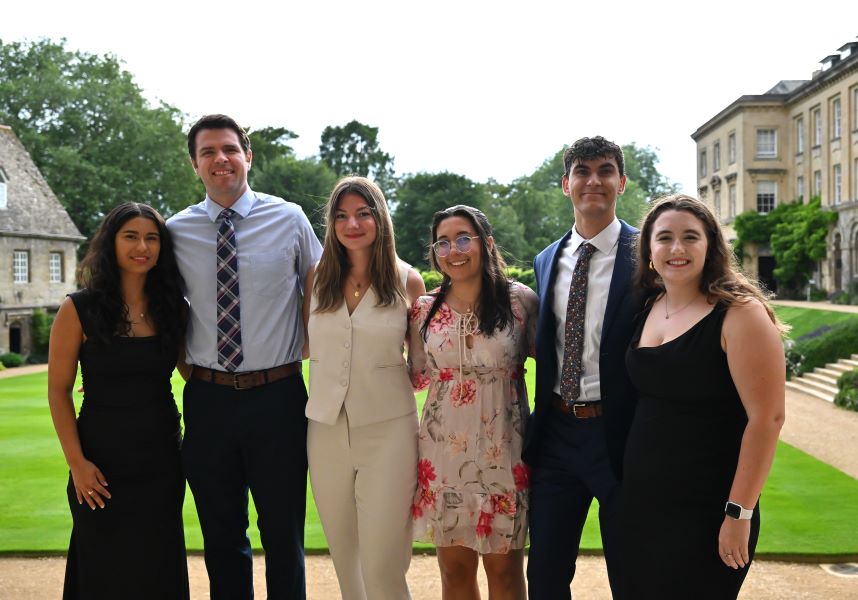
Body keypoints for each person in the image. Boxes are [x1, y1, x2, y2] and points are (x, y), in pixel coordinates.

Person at [166, 114, 322, 600]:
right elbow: (161, 305)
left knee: (283, 535)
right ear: (194, 164)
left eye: (230, 149)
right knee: (221, 535)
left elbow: (321, 290)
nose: (221, 159)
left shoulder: (290, 218)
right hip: (208, 400)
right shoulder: (174, 232)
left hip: (278, 398)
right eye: (208, 152)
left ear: (248, 156)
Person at [621, 194, 786, 598]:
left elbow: (767, 419)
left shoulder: (739, 313)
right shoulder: (648, 305)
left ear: (710, 245)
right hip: (641, 508)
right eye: (664, 238)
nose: (676, 248)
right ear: (648, 249)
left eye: (690, 237)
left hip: (708, 509)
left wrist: (738, 513)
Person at [48, 202, 189, 599]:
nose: (142, 246)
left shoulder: (174, 309)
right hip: (99, 467)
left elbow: (193, 372)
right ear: (111, 243)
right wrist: (77, 464)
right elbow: (59, 391)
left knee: (159, 567)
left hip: (161, 461)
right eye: (130, 236)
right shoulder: (78, 309)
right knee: (101, 570)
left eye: (151, 237)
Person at [522, 136, 641, 598]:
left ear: (621, 182)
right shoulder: (547, 258)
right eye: (583, 171)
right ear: (565, 184)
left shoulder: (647, 255)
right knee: (546, 577)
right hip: (556, 435)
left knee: (631, 574)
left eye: (605, 170)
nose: (594, 180)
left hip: (621, 437)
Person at [302, 176, 425, 599]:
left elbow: (423, 365)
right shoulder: (317, 278)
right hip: (325, 429)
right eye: (341, 216)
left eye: (362, 213)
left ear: (379, 218)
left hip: (390, 432)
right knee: (344, 558)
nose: (351, 224)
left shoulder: (408, 281)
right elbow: (304, 344)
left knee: (383, 562)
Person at [408, 205, 537, 600]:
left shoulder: (522, 303)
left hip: (506, 452)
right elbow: (412, 375)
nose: (454, 250)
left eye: (464, 238)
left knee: (505, 573)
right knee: (455, 571)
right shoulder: (423, 312)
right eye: (443, 242)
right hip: (442, 455)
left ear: (488, 244)